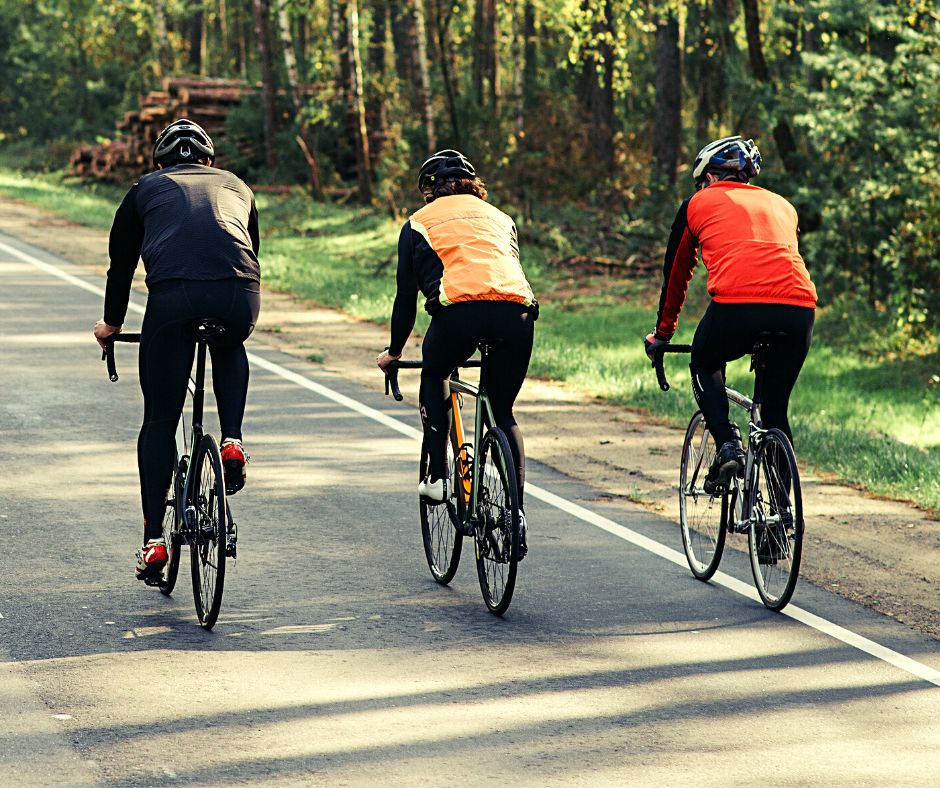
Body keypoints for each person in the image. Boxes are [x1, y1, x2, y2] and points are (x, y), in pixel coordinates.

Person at [94, 118, 261, 580]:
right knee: (230, 341)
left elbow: (120, 267)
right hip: (238, 296)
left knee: (160, 420)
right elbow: (250, 251)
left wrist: (112, 325)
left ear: (160, 162)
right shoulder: (237, 186)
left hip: (172, 299)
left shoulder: (143, 188)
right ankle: (232, 439)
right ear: (209, 162)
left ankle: (152, 541)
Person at [376, 150, 537, 548]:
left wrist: (394, 351)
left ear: (429, 191)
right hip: (517, 314)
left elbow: (405, 297)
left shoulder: (417, 223)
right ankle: (515, 513)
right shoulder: (502, 218)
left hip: (458, 315)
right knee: (502, 411)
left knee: (435, 373)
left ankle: (436, 475)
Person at [644, 135, 817, 493]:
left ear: (709, 177)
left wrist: (663, 333)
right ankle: (781, 520)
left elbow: (676, 274)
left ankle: (726, 445)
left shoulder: (697, 203)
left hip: (738, 304)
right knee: (774, 411)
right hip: (799, 309)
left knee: (705, 363)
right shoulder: (783, 205)